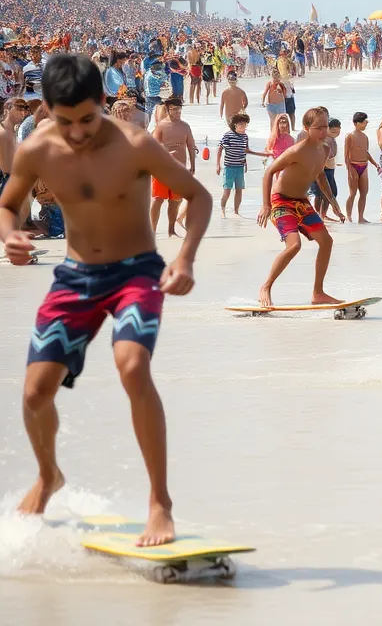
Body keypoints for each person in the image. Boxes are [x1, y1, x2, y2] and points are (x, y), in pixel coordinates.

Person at [0, 52, 212, 547]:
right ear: (48, 110)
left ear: (102, 103)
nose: (77, 132)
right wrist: (9, 235)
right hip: (74, 277)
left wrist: (185, 258)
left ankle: (160, 501)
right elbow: (8, 203)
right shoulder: (37, 150)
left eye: (87, 119)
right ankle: (48, 475)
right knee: (34, 393)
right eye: (64, 120)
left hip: (136, 271)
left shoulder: (136, 145)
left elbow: (197, 195)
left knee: (133, 366)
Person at [256, 107, 345, 307]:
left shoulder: (325, 150)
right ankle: (266, 286)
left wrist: (334, 203)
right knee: (294, 245)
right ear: (306, 128)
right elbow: (269, 172)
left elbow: (320, 175)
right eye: (318, 128)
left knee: (327, 242)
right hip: (281, 201)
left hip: (302, 203)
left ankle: (318, 293)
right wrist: (265, 205)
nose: (324, 132)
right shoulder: (297, 150)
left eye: (326, 127)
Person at [150, 97, 196, 238]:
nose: (178, 112)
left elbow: (191, 146)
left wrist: (193, 165)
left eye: (179, 109)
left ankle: (171, 230)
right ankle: (152, 231)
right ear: (168, 109)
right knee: (158, 199)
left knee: (175, 201)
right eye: (174, 109)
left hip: (180, 169)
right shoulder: (161, 126)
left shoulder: (185, 126)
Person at [216, 113, 268, 217]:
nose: (243, 126)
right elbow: (220, 148)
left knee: (239, 190)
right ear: (235, 124)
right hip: (229, 167)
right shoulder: (228, 135)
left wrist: (249, 160)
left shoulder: (245, 136)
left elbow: (245, 150)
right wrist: (218, 164)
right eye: (241, 124)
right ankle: (222, 210)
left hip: (240, 167)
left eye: (245, 124)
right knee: (227, 191)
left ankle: (236, 212)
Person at [344, 111, 380, 223]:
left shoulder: (365, 137)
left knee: (364, 193)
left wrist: (375, 164)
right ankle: (349, 216)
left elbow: (366, 152)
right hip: (353, 165)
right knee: (352, 193)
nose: (365, 125)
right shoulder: (349, 136)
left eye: (366, 123)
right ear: (356, 123)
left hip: (364, 165)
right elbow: (346, 155)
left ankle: (360, 217)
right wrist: (349, 169)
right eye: (363, 123)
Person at [311, 118, 342, 222]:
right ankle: (319, 214)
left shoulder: (332, 140)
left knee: (332, 193)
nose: (335, 134)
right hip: (323, 170)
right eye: (332, 131)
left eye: (337, 132)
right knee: (320, 194)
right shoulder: (325, 140)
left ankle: (322, 214)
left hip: (330, 170)